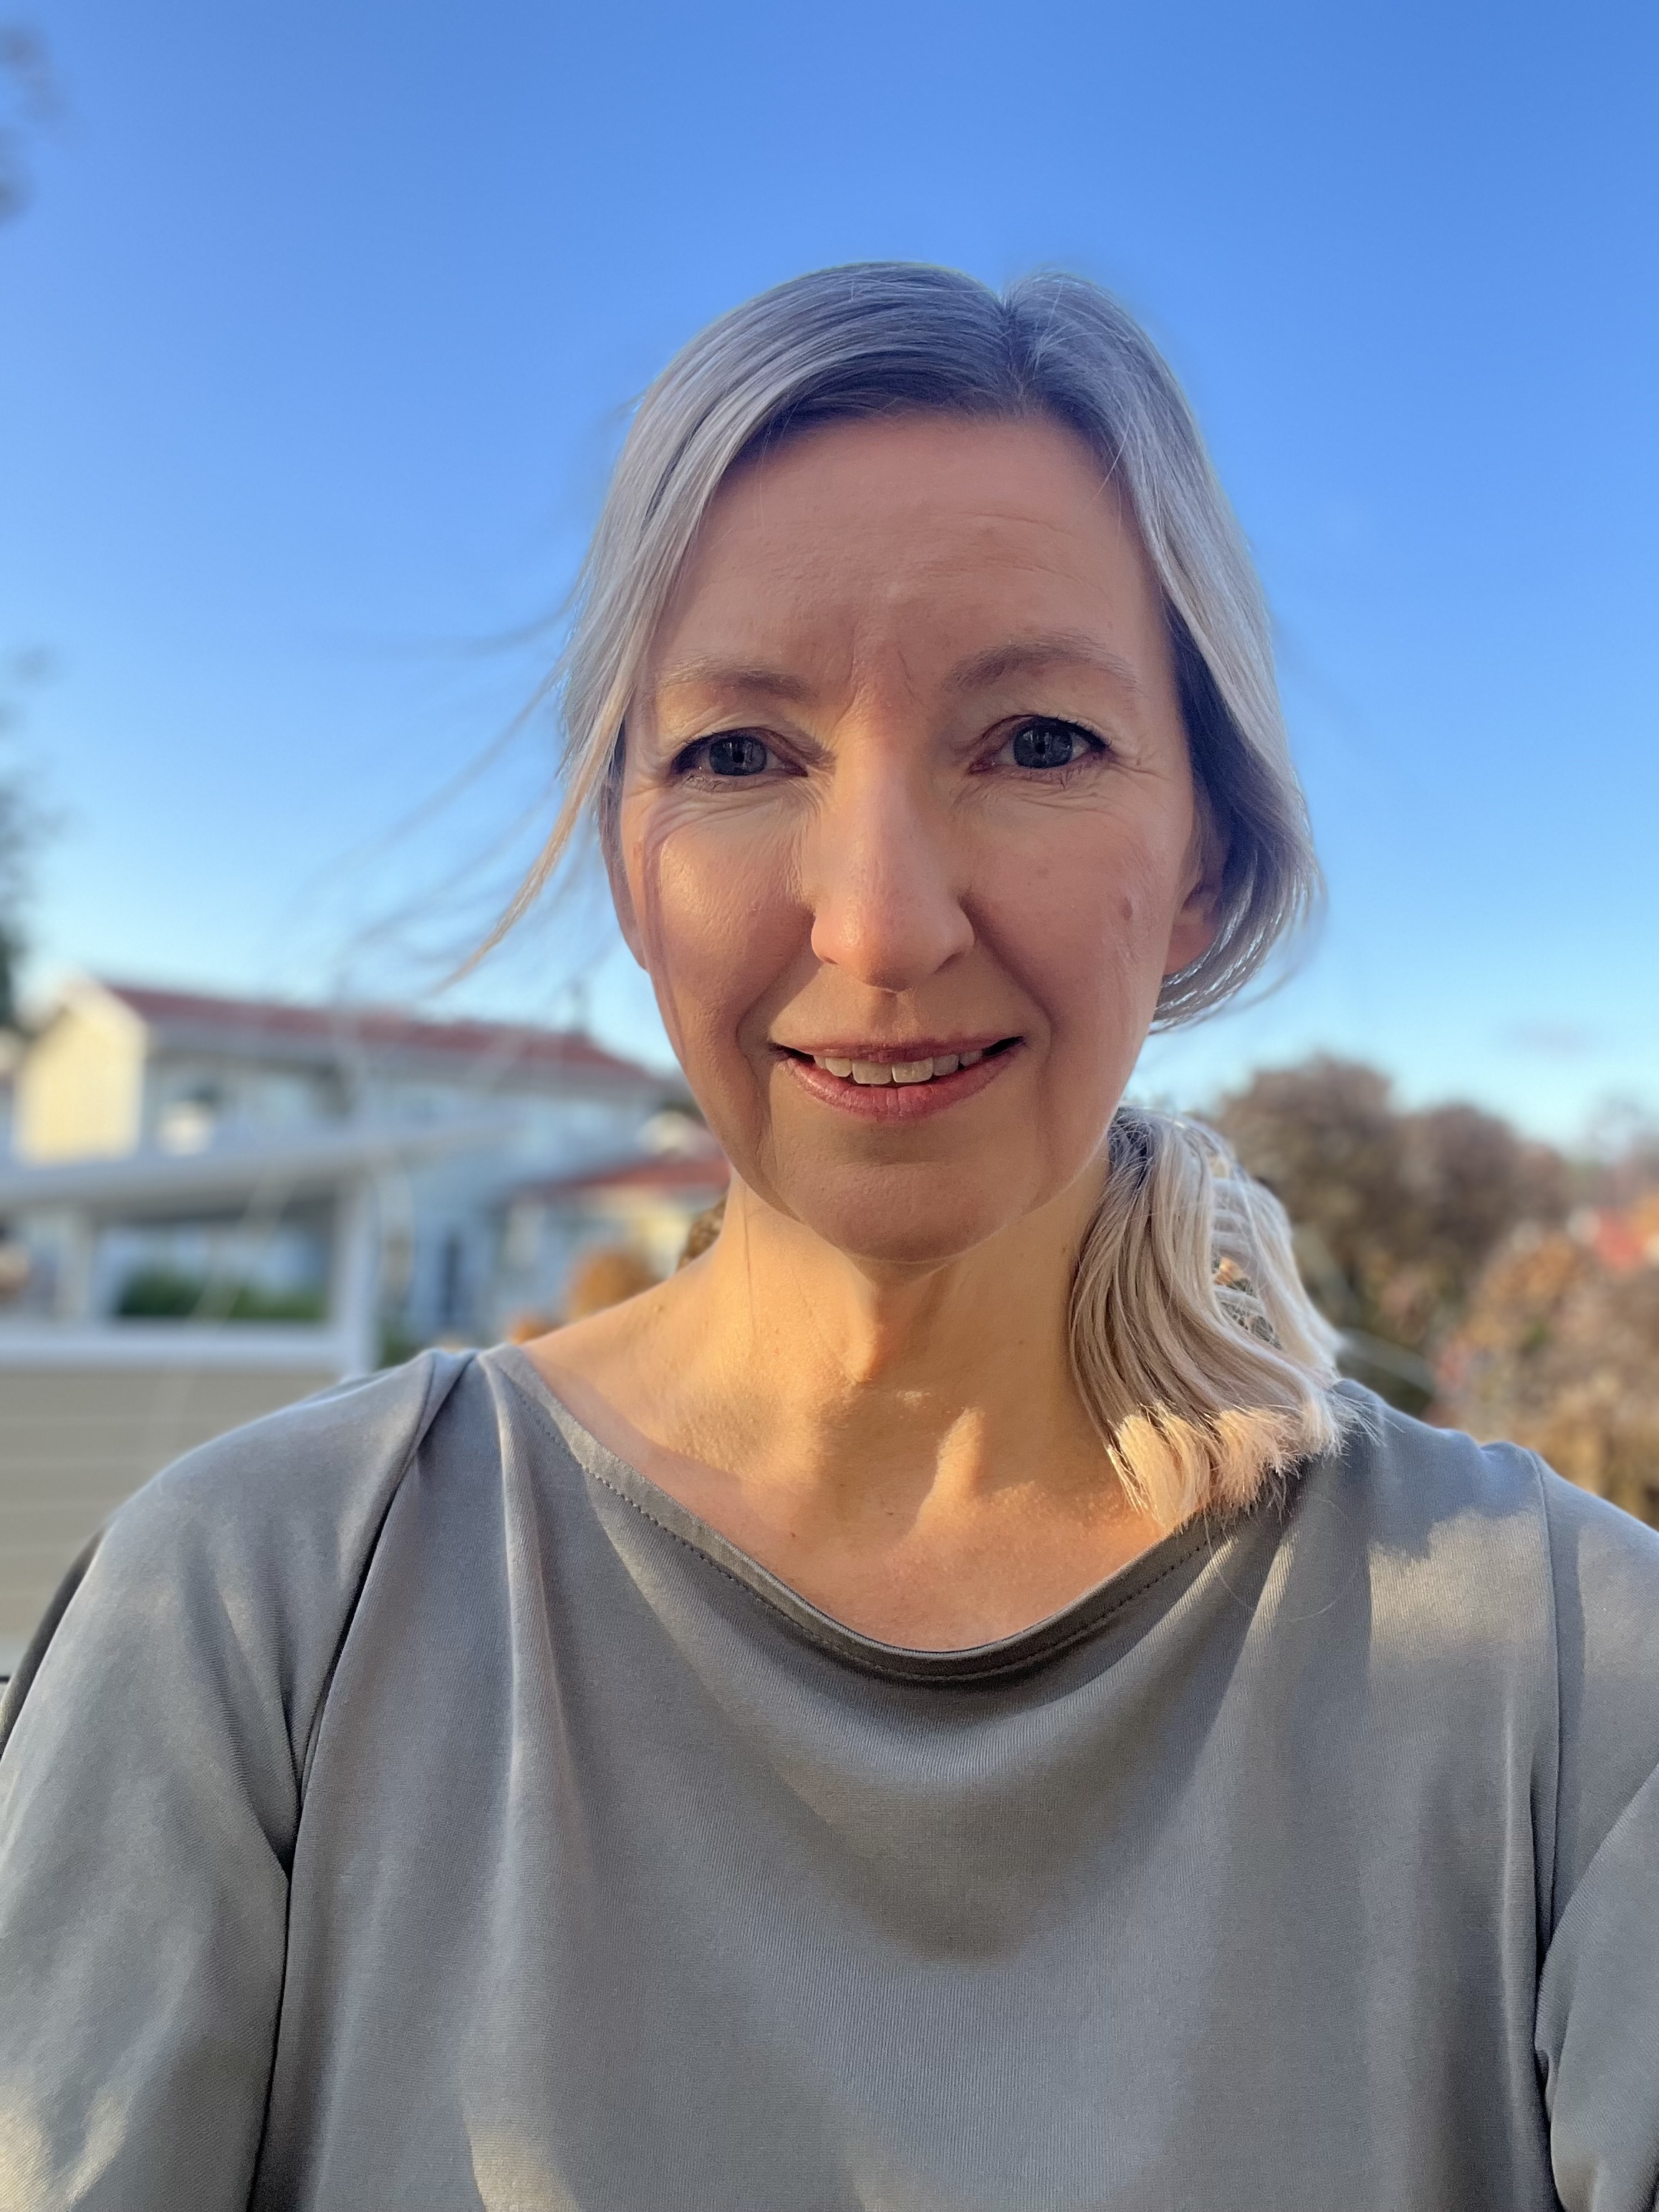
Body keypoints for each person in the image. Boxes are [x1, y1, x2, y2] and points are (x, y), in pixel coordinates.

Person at [1, 264, 1655, 2211]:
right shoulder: (257, 1615)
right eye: (738, 754)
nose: (878, 925)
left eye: (1035, 741)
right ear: (629, 865)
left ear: (1205, 856)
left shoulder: (1575, 1679)